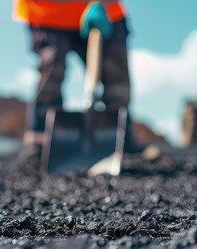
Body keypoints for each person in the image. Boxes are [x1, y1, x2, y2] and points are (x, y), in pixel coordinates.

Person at [13, 0, 141, 153]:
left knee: (115, 75)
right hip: (48, 13)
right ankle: (39, 142)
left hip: (104, 12)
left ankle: (121, 141)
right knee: (51, 72)